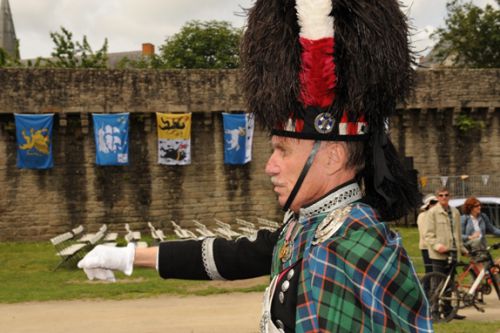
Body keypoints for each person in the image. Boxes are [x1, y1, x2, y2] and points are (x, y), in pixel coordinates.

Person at [78, 0, 432, 331]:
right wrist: (127, 257)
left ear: (333, 156)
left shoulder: (348, 247)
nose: (270, 166)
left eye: (282, 150)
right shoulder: (312, 227)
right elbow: (238, 256)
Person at [424, 188, 467, 320]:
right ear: (437, 197)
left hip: (452, 252)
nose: (444, 197)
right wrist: (438, 246)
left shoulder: (455, 212)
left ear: (450, 196)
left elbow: (458, 234)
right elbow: (428, 235)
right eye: (441, 195)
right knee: (438, 282)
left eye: (446, 195)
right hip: (439, 254)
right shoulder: (432, 213)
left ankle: (448, 311)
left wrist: (462, 249)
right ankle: (434, 311)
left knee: (450, 283)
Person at [417, 194, 438, 291]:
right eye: (432, 203)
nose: (435, 205)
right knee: (429, 271)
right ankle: (426, 292)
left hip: (435, 247)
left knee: (436, 271)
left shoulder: (436, 215)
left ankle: (434, 291)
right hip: (426, 247)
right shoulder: (422, 216)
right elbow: (424, 232)